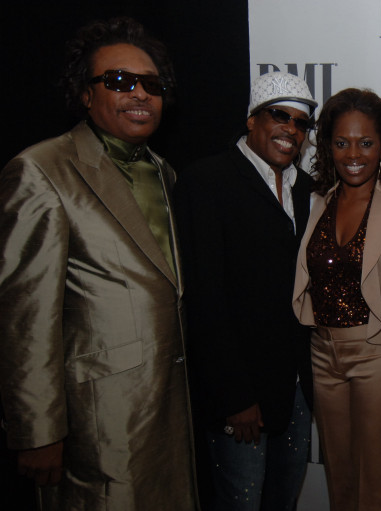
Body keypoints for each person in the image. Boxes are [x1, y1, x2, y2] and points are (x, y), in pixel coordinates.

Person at [0, 17, 197, 509]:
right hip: (98, 423)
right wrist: (37, 430)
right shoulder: (43, 170)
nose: (140, 93)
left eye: (152, 84)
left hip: (171, 408)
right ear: (85, 94)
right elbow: (25, 318)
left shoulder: (165, 173)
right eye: (120, 80)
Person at [173, 71, 315, 511]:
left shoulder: (309, 190)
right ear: (252, 120)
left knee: (283, 501)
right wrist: (234, 396)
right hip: (240, 395)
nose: (290, 129)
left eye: (301, 123)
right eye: (279, 116)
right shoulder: (206, 181)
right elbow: (203, 298)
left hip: (297, 390)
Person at [292, 88, 381, 511]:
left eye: (365, 142)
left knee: (375, 478)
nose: (353, 154)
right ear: (327, 147)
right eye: (342, 142)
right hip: (322, 352)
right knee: (339, 473)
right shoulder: (316, 201)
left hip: (379, 352)